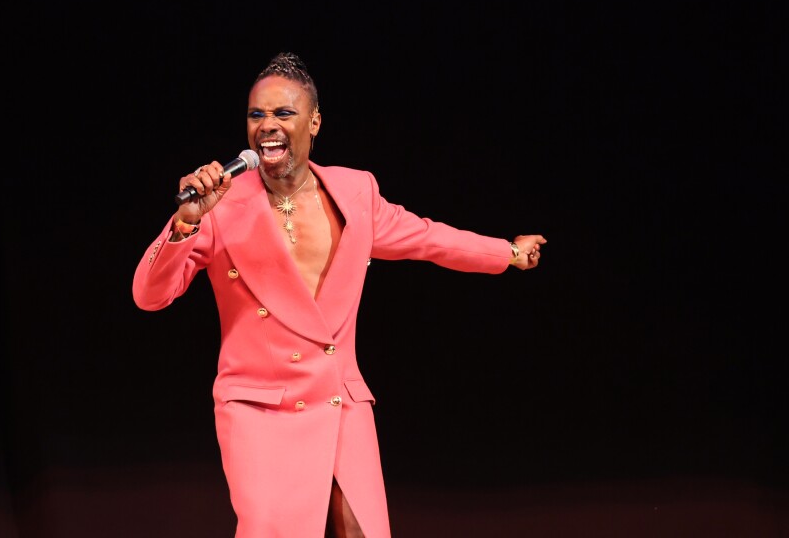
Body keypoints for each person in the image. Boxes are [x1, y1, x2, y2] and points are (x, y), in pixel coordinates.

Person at [132, 52, 547, 538]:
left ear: (314, 121)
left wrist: (507, 253)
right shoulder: (221, 207)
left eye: (283, 113)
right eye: (256, 114)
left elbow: (428, 238)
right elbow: (150, 295)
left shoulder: (355, 192)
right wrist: (186, 221)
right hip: (259, 410)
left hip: (338, 399)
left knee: (361, 531)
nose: (268, 125)